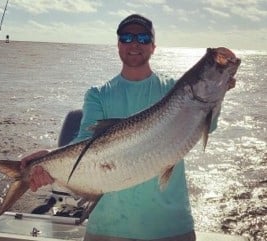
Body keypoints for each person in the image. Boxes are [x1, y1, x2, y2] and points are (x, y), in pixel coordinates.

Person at [22, 14, 236, 241]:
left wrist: (219, 92)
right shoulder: (98, 94)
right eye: (126, 37)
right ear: (118, 45)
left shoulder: (174, 89)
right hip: (107, 226)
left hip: (170, 226)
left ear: (153, 47)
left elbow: (207, 125)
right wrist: (48, 159)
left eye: (143, 38)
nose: (134, 43)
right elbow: (83, 143)